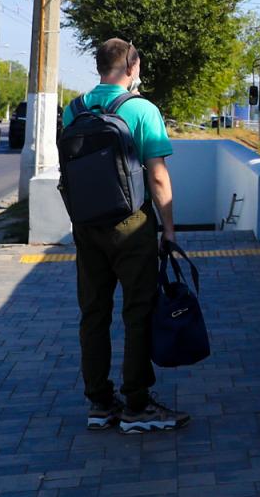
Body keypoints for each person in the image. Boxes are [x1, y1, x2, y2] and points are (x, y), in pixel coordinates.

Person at [64, 37, 189, 434]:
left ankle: (99, 403)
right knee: (138, 312)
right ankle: (137, 404)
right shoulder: (141, 109)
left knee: (94, 312)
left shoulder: (74, 109)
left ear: (100, 67)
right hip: (130, 224)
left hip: (86, 224)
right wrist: (168, 230)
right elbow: (156, 174)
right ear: (132, 67)